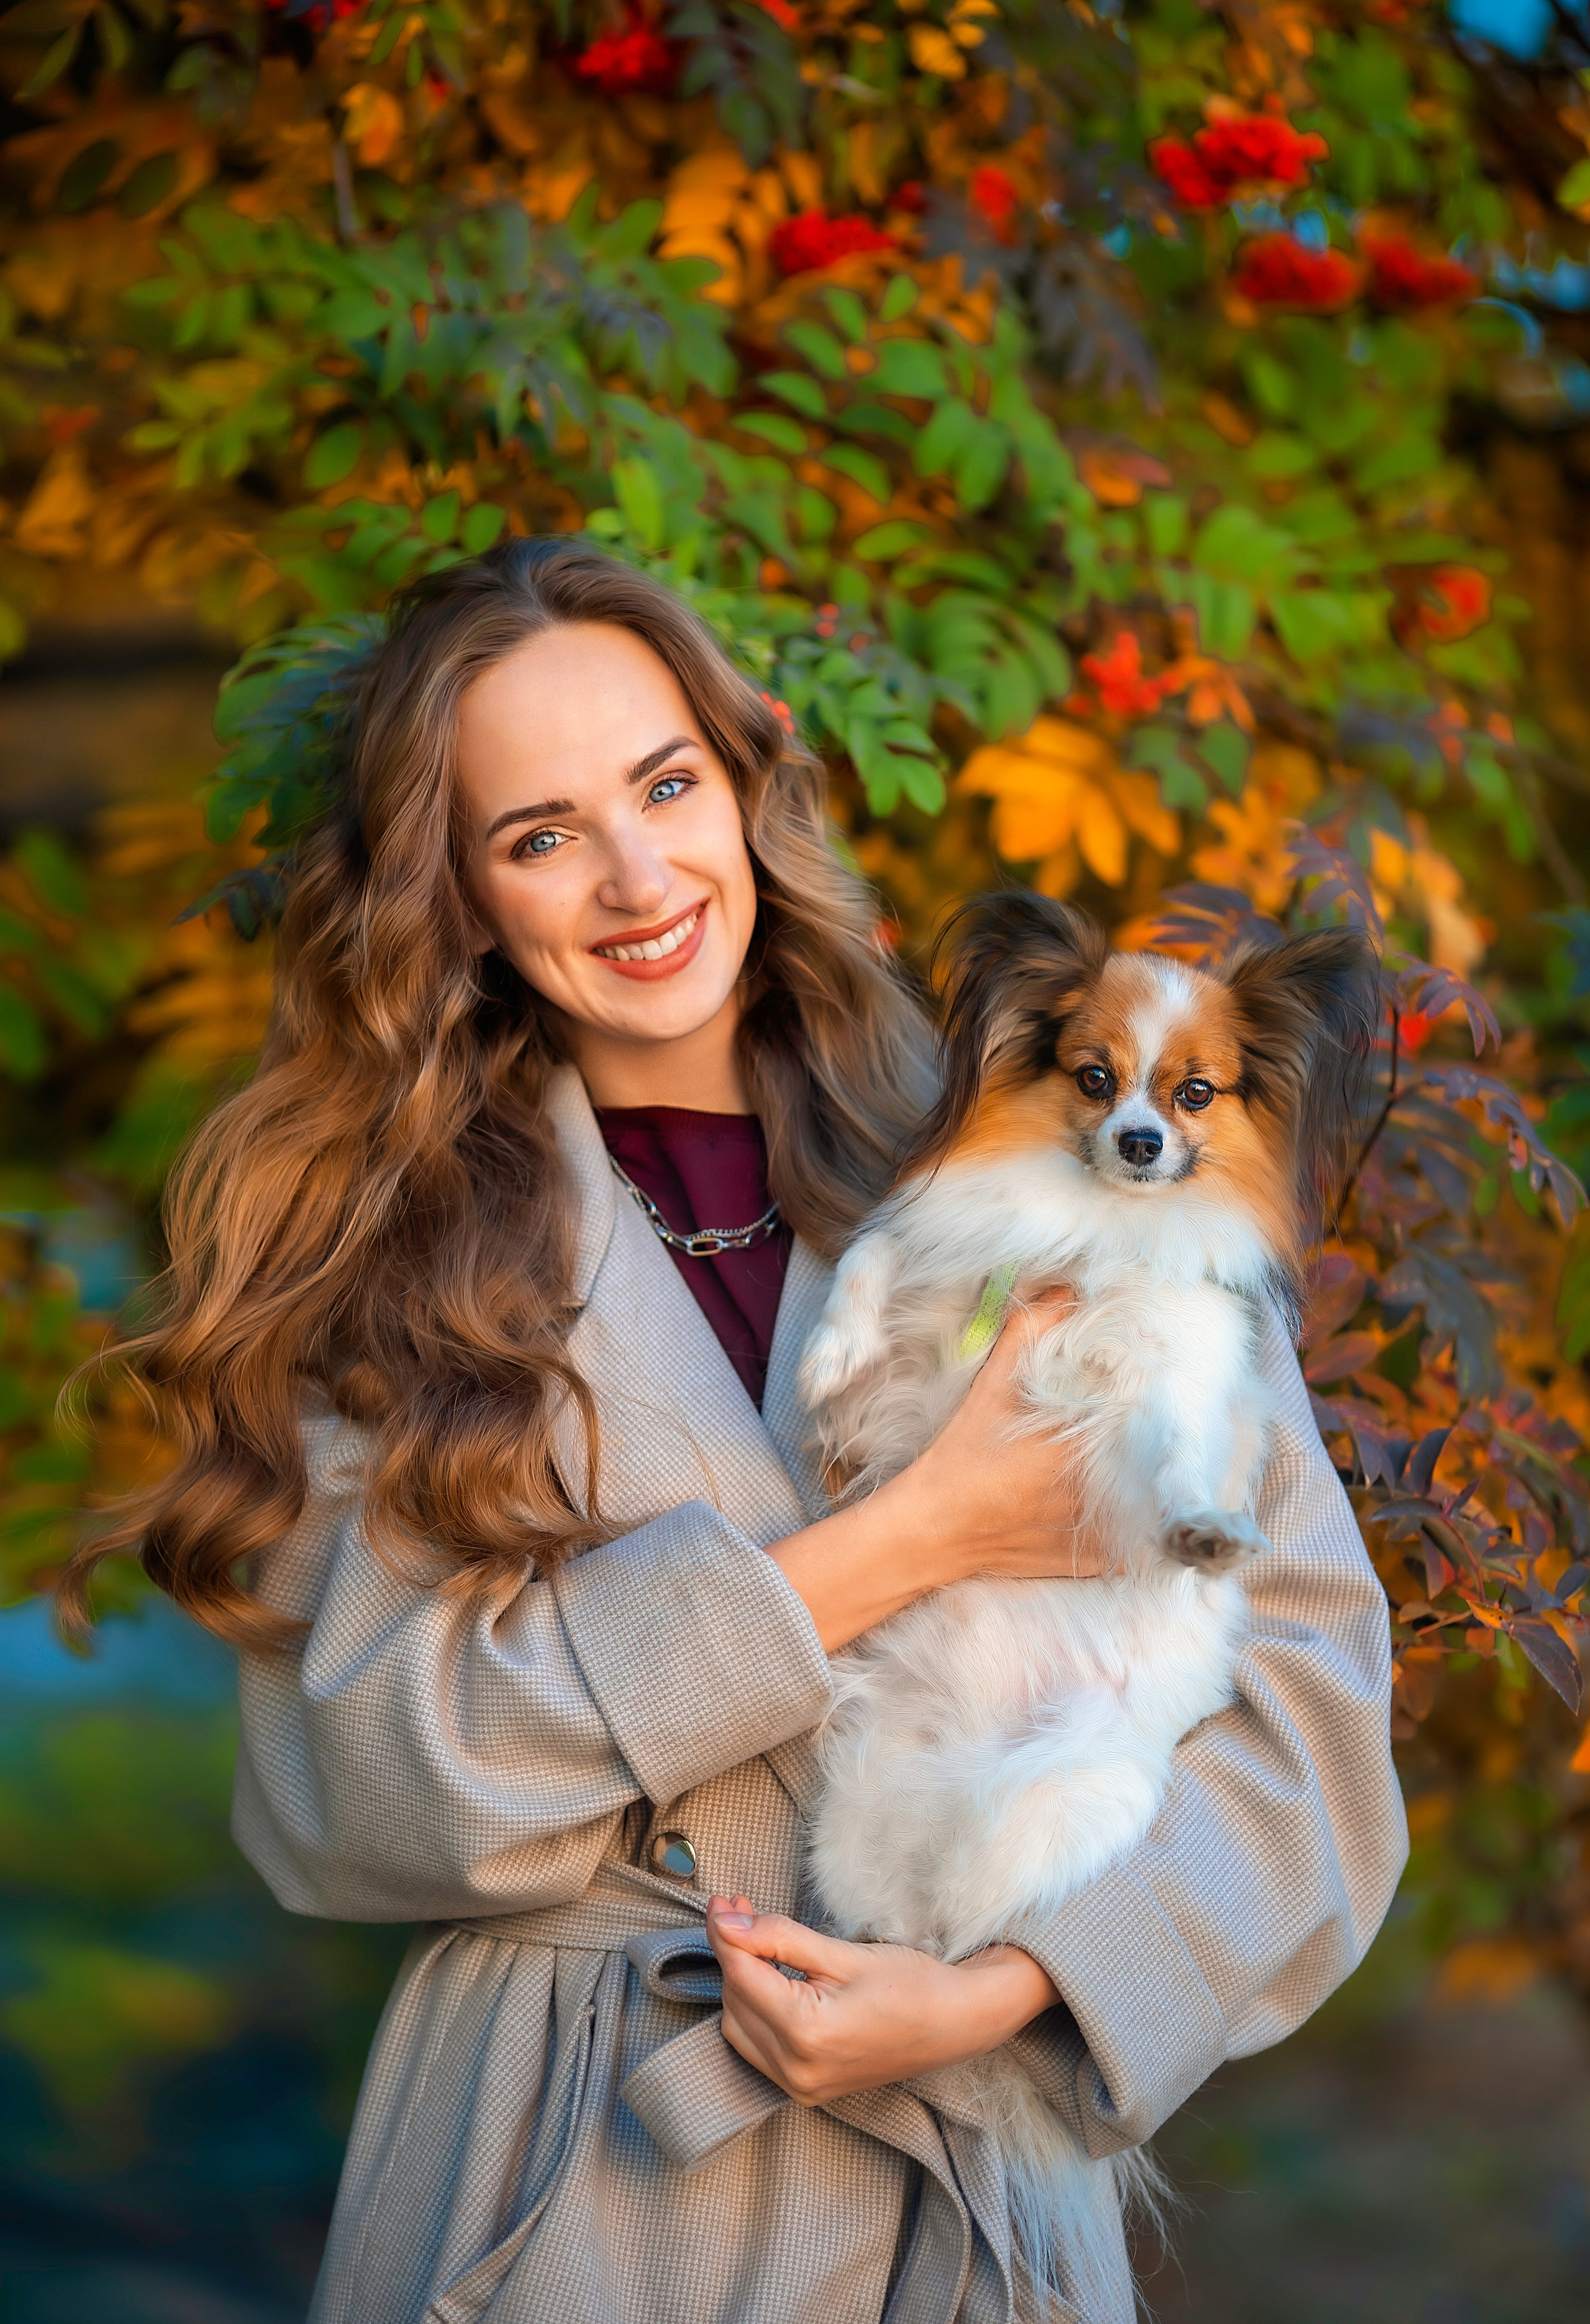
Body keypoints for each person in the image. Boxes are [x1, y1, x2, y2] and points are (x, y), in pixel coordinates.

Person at [63, 538, 1406, 2324]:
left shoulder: (1027, 1139)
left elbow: (1313, 1713)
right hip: (586, 2166)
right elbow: (352, 1784)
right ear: (452, 892)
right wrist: (913, 1538)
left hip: (981, 2159)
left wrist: (1017, 1989)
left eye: (664, 784)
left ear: (748, 777)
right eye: (539, 835)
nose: (635, 878)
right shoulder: (380, 1253)